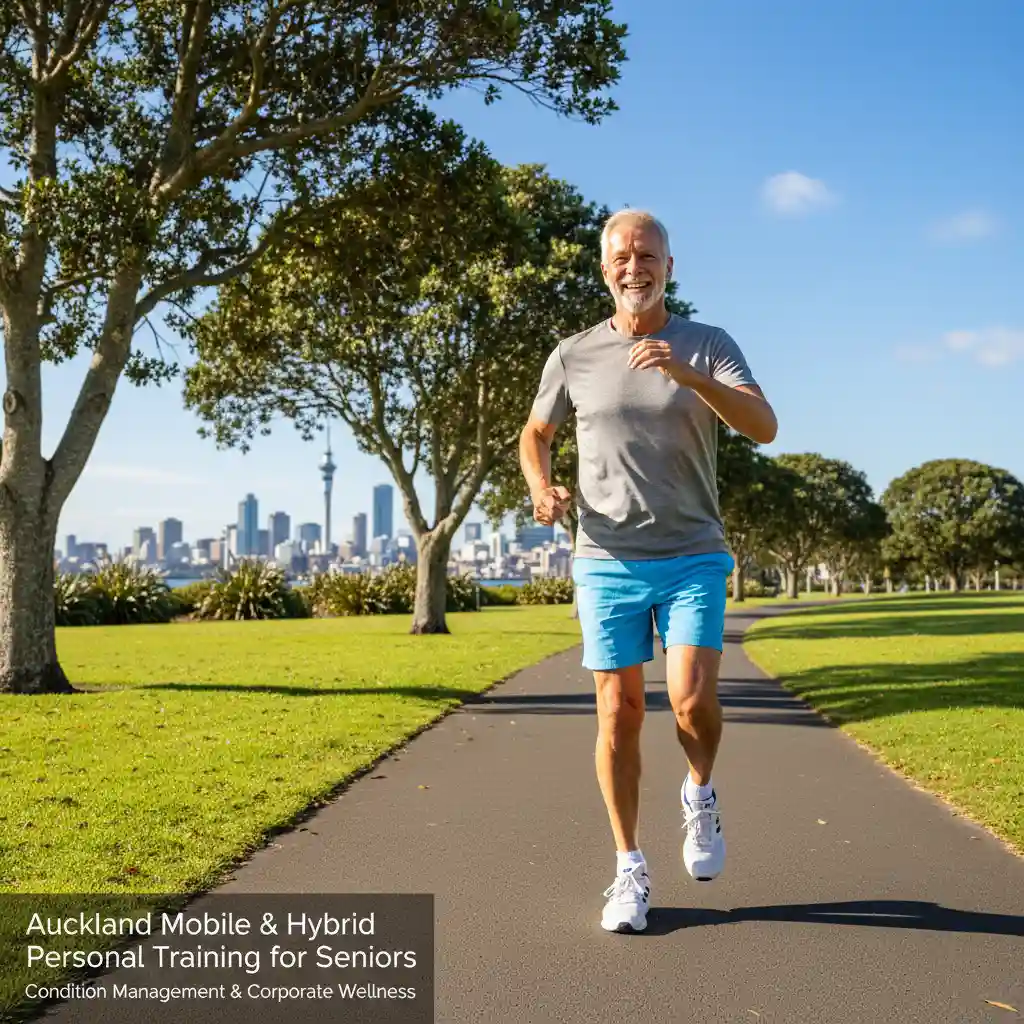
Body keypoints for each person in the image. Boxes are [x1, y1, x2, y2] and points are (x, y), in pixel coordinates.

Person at [519, 209, 778, 933]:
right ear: (604, 270)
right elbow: (536, 433)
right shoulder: (573, 355)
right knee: (619, 712)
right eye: (622, 256)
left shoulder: (708, 344)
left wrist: (688, 374)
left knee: (692, 701)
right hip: (604, 558)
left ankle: (700, 794)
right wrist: (542, 489)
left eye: (649, 255)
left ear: (670, 267)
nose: (635, 266)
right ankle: (628, 868)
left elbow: (763, 426)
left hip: (693, 550)